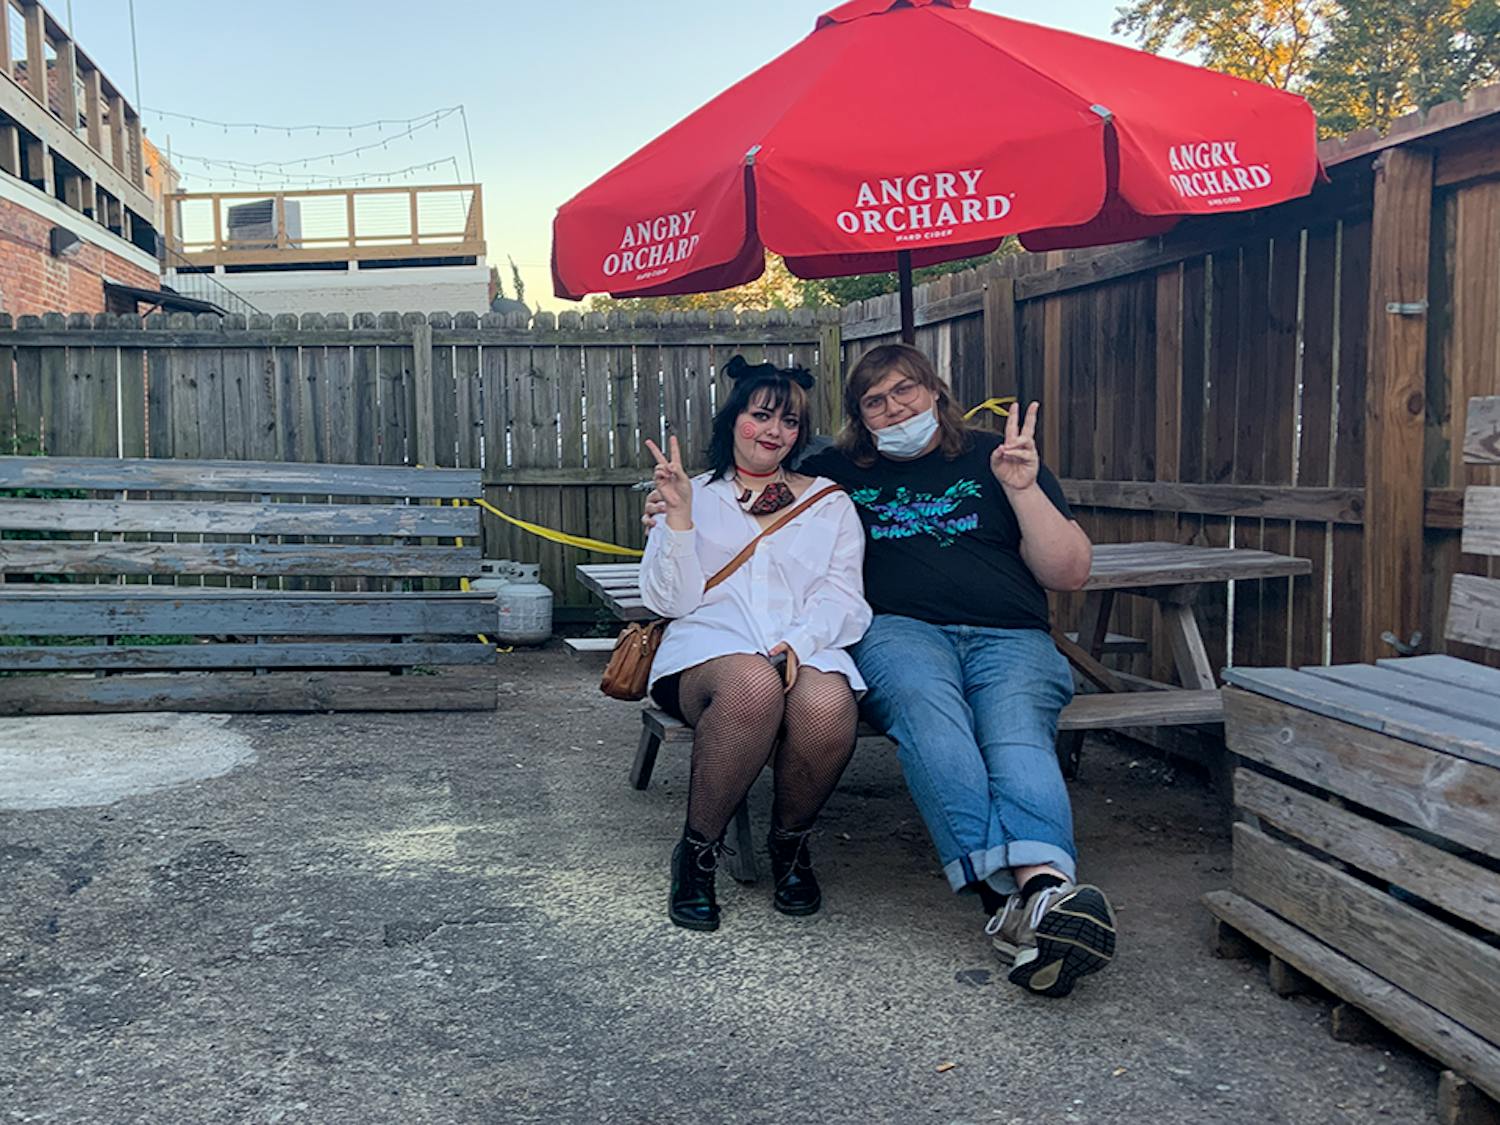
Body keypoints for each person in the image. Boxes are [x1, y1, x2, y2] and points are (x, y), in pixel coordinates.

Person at [647, 343, 1114, 995]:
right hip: (863, 635)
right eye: (874, 400)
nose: (894, 408)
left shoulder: (980, 460)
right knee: (928, 720)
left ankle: (1038, 894)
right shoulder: (805, 476)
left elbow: (1066, 573)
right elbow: (680, 583)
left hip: (994, 633)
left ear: (936, 391)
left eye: (906, 391)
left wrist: (1025, 488)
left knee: (1004, 734)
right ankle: (700, 852)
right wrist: (675, 518)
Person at [640, 356, 871, 932]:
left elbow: (844, 595)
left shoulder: (829, 502)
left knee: (827, 706)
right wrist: (681, 520)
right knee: (752, 685)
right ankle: (696, 856)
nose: (774, 431)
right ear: (732, 419)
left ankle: (789, 845)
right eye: (761, 415)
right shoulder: (691, 494)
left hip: (806, 643)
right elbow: (670, 601)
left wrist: (800, 642)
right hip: (707, 651)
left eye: (789, 422)